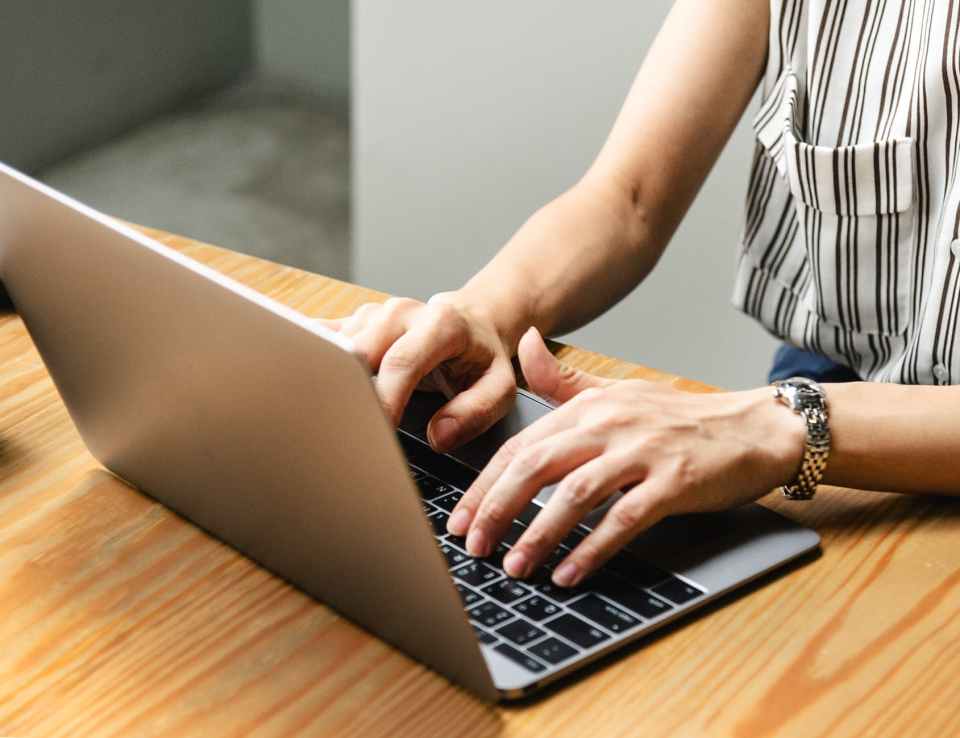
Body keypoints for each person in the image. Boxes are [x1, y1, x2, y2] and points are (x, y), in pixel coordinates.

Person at [320, 0, 960, 589]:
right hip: (831, 383)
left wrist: (780, 425)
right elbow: (628, 200)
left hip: (813, 423)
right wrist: (482, 313)